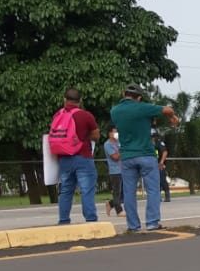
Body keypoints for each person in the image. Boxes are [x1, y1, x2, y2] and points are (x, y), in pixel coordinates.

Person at [111, 85, 180, 232]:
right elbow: (168, 110)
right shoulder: (143, 107)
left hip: (127, 156)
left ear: (124, 94)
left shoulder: (114, 111)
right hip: (146, 154)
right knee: (153, 190)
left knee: (129, 192)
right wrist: (173, 117)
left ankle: (133, 225)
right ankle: (152, 222)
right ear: (139, 97)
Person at [51, 87, 100, 225]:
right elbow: (96, 136)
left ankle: (63, 220)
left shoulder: (57, 115)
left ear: (64, 99)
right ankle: (90, 219)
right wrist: (86, 136)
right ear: (80, 100)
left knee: (66, 190)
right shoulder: (85, 115)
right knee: (86, 189)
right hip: (83, 156)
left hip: (64, 158)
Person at [102, 125, 123, 218]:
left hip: (123, 169)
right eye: (114, 132)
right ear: (110, 133)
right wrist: (122, 149)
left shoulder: (119, 142)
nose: (116, 133)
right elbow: (115, 157)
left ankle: (110, 204)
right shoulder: (107, 144)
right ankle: (119, 211)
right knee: (117, 192)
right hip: (115, 171)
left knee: (123, 192)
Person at [153, 129, 171, 203]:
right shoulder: (150, 144)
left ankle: (167, 195)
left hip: (159, 165)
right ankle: (158, 197)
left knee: (162, 180)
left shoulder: (159, 143)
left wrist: (161, 162)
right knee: (155, 181)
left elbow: (165, 152)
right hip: (152, 165)